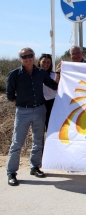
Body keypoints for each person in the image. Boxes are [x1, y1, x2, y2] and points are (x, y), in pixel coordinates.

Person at [6, 47, 59, 186]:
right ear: (21, 59)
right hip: (23, 112)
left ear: (34, 56)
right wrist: (22, 104)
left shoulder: (41, 72)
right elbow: (10, 95)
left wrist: (60, 72)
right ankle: (11, 172)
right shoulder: (14, 74)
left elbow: (54, 86)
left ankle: (35, 167)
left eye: (30, 55)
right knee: (17, 142)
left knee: (38, 141)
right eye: (24, 56)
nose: (28, 58)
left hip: (40, 110)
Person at [37, 53, 57, 130]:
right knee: (39, 129)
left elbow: (57, 87)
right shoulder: (34, 75)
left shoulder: (54, 75)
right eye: (44, 62)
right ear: (39, 62)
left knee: (50, 127)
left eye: (48, 62)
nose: (46, 64)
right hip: (39, 104)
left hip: (52, 104)